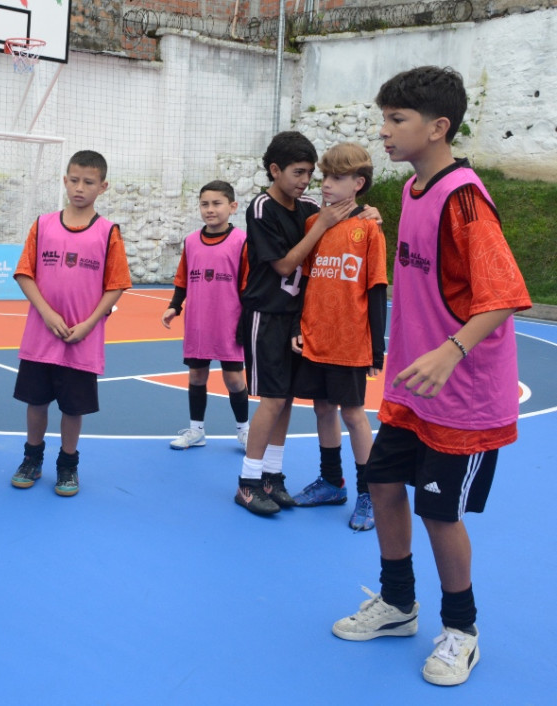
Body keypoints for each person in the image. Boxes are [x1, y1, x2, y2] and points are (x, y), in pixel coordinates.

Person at [332, 66, 531, 687]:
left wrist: (451, 349)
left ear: (438, 127)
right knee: (385, 486)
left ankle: (461, 632)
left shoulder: (464, 197)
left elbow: (503, 294)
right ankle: (397, 604)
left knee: (439, 515)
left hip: (462, 397)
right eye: (384, 117)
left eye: (397, 120)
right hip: (410, 391)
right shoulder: (413, 193)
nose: (384, 132)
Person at [235, 131, 367, 517]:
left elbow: (346, 214)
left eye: (309, 173)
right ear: (275, 170)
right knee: (272, 400)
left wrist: (367, 213)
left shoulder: (309, 206)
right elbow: (285, 265)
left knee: (287, 399)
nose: (304, 181)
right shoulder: (261, 208)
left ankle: (273, 476)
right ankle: (247, 481)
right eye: (297, 172)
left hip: (297, 319)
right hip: (266, 315)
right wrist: (320, 225)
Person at [10, 150, 132, 497]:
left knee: (72, 408)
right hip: (41, 337)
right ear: (65, 180)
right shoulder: (43, 224)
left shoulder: (108, 232)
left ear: (102, 186)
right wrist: (47, 314)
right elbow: (24, 274)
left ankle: (68, 464)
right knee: (36, 403)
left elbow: (116, 285)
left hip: (82, 340)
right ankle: (32, 459)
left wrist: (91, 323)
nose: (80, 188)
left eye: (89, 182)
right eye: (74, 180)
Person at [289, 143, 388, 531]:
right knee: (322, 409)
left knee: (353, 414)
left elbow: (377, 289)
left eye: (336, 178)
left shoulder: (369, 230)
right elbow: (306, 281)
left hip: (351, 341)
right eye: (324, 176)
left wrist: (376, 348)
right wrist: (299, 326)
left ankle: (370, 494)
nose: (326, 184)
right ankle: (332, 481)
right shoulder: (315, 225)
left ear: (358, 183)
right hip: (316, 336)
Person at [162, 180, 250, 451]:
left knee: (234, 379)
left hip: (229, 322)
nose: (210, 209)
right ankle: (196, 430)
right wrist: (174, 306)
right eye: (204, 204)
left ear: (232, 206)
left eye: (216, 203)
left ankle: (245, 432)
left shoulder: (243, 241)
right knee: (197, 376)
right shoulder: (190, 241)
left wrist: (245, 321)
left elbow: (249, 284)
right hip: (198, 322)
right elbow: (182, 279)